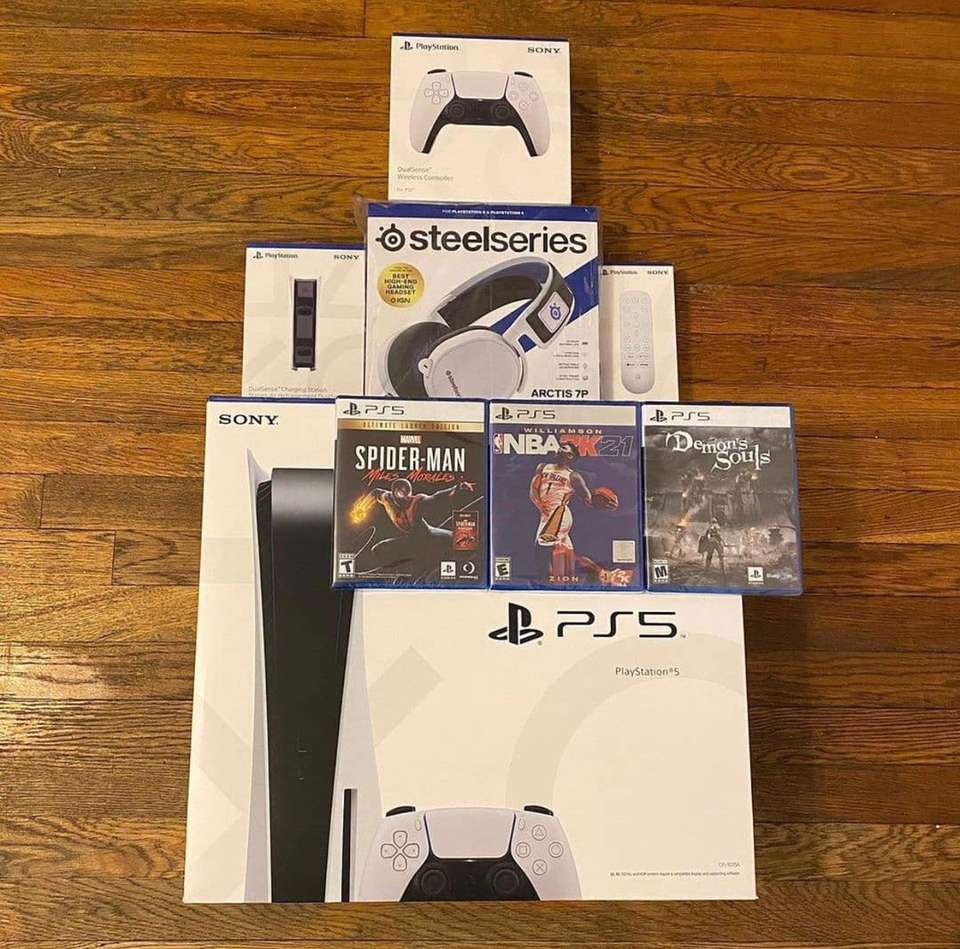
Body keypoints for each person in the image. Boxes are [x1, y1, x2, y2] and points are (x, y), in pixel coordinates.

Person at [356, 476, 475, 576]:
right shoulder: (387, 499)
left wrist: (455, 488)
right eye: (399, 495)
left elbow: (437, 496)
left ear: (410, 493)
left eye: (406, 495)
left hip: (427, 535)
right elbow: (375, 492)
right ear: (393, 494)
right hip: (411, 540)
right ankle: (407, 562)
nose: (403, 499)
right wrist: (362, 507)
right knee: (378, 550)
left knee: (461, 542)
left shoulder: (417, 502)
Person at [529, 442, 592, 582]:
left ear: (570, 455)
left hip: (559, 514)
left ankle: (545, 582)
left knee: (541, 549)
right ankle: (590, 571)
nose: (558, 448)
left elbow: (587, 496)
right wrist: (539, 505)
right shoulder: (542, 467)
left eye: (563, 448)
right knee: (565, 552)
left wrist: (597, 500)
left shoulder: (573, 476)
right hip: (545, 515)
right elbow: (533, 489)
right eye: (560, 446)